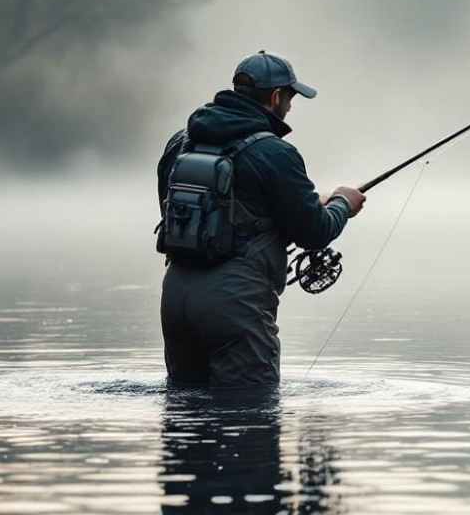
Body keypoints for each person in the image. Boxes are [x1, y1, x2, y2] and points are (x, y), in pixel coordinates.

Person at [156, 50, 367, 388]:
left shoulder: (180, 143)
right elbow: (314, 232)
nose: (291, 106)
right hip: (234, 302)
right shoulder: (275, 153)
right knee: (252, 417)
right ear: (275, 97)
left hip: (176, 295)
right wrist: (342, 203)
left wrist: (318, 202)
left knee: (185, 414)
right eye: (291, 97)